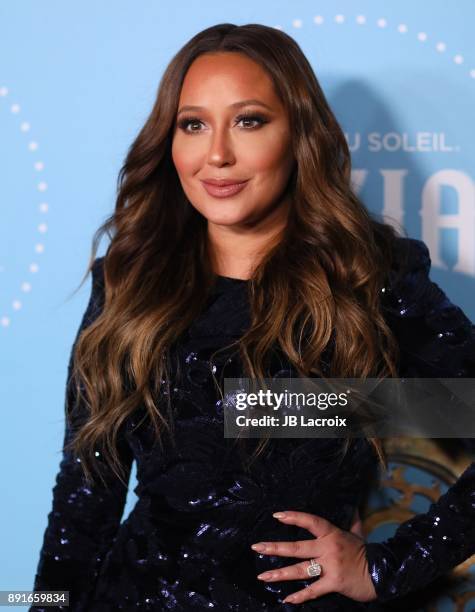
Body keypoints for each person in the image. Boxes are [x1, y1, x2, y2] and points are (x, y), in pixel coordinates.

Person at [30, 23, 475, 611]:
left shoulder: (367, 281)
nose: (216, 153)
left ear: (299, 136)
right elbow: (85, 498)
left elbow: (433, 409)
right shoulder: (130, 280)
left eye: (249, 120)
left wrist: (390, 567)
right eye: (193, 124)